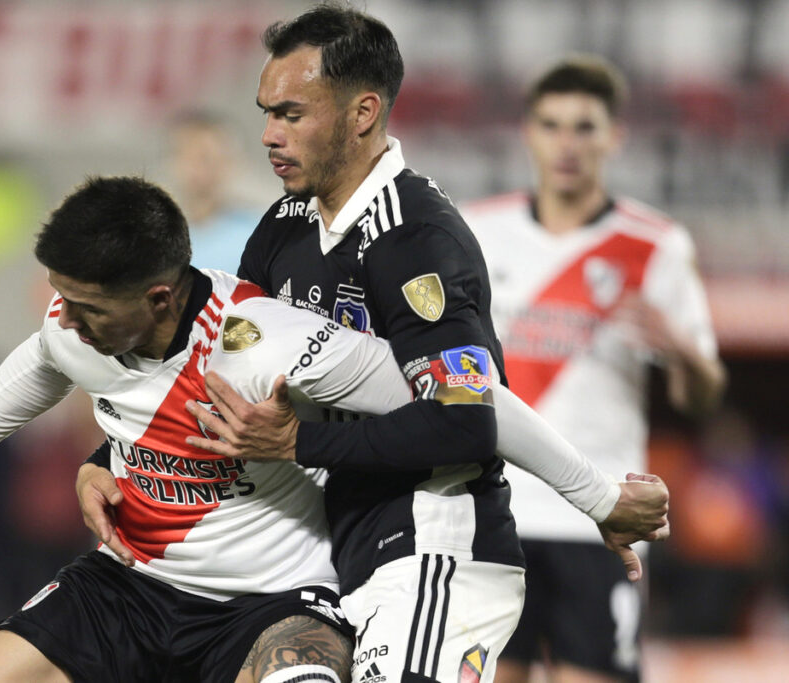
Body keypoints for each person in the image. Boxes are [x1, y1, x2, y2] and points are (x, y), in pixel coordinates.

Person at [75, 6, 671, 683]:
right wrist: (109, 456)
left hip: (433, 545)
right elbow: (214, 365)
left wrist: (299, 442)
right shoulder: (283, 226)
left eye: (293, 115)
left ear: (362, 113)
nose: (269, 134)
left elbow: (466, 417)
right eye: (267, 112)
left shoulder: (419, 242)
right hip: (330, 551)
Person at [0, 174, 437, 683]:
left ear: (157, 299)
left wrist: (303, 442)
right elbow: (42, 362)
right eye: (63, 298)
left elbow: (438, 401)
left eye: (88, 307)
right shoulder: (74, 330)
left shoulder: (263, 340)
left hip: (269, 604)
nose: (68, 320)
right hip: (128, 589)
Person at [459, 55, 726, 682]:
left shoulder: (656, 245)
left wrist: (685, 354)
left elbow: (703, 400)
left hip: (602, 514)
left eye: (585, 127)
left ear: (614, 137)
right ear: (528, 132)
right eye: (552, 125)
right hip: (494, 510)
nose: (567, 144)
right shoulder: (477, 229)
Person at [166, 110, 263, 273]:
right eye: (188, 155)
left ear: (229, 163)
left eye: (206, 157)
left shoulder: (257, 235)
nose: (196, 167)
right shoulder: (155, 235)